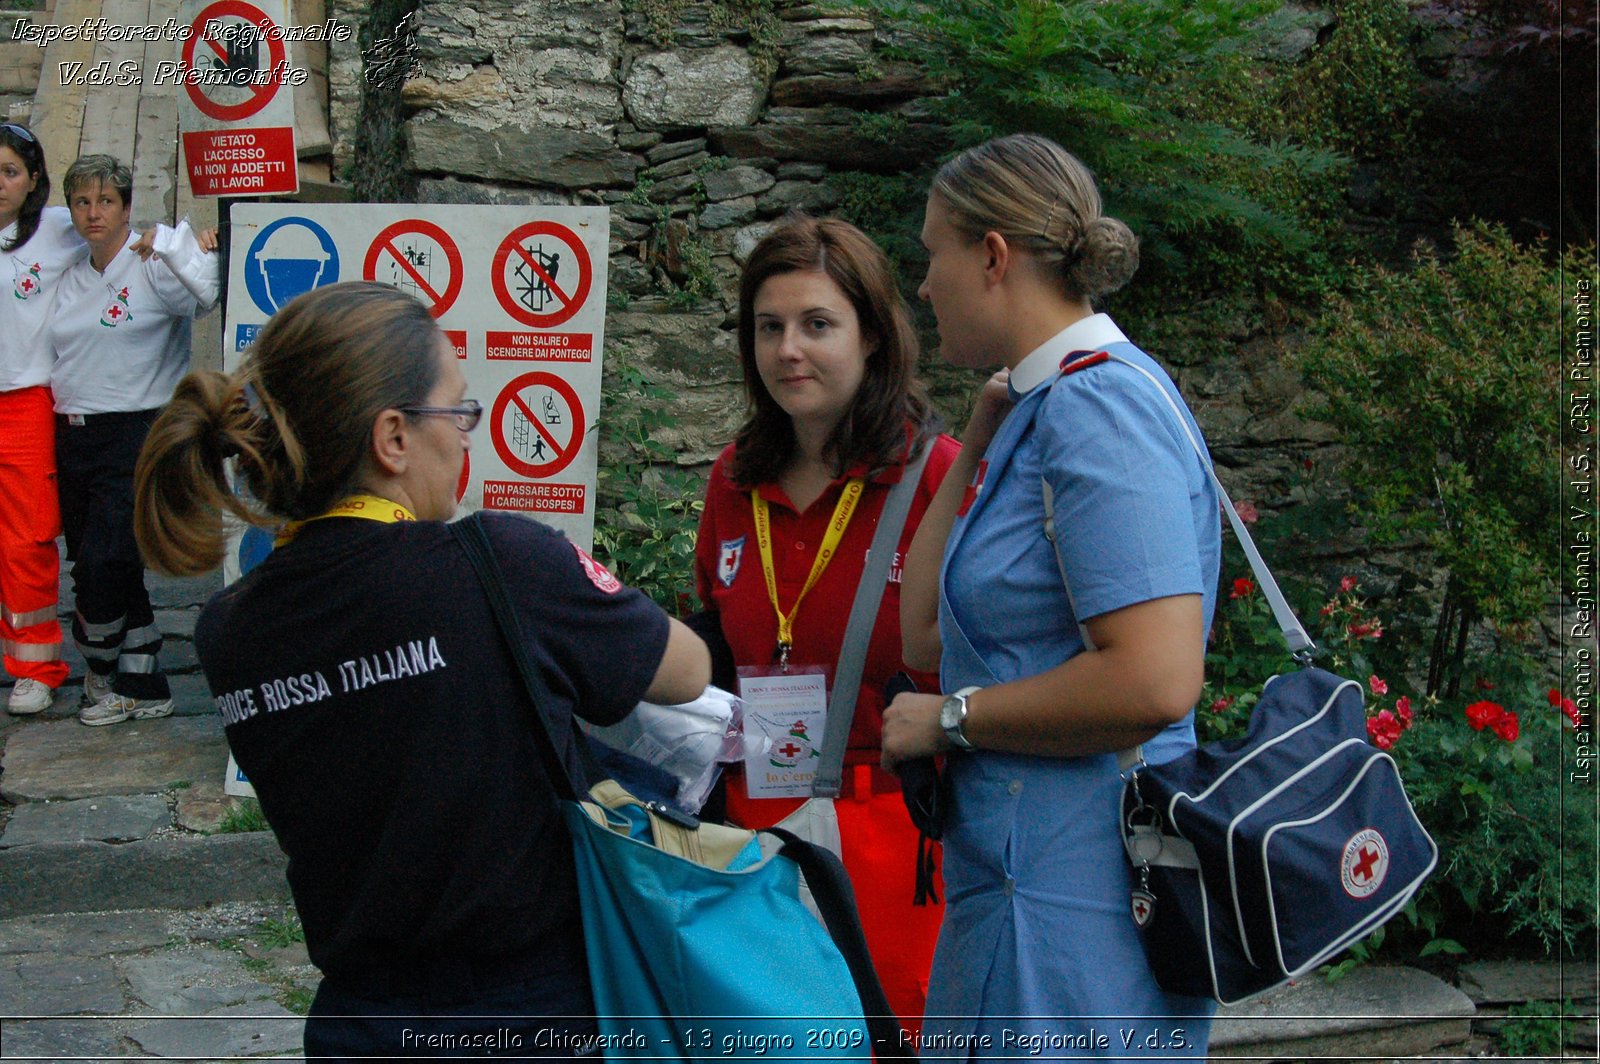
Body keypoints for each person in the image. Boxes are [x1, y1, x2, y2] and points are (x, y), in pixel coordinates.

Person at [133, 281, 711, 1059]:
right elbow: (685, 670)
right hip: (533, 1013)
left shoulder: (227, 628)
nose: (469, 437)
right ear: (393, 437)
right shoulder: (498, 563)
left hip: (360, 1024)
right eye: (459, 412)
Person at [882, 133, 1222, 1055]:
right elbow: (922, 632)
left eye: (931, 255)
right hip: (1022, 892)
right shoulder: (1043, 406)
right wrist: (982, 434)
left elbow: (1154, 682)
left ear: (991, 256)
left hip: (1080, 911)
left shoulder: (1100, 409)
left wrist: (949, 721)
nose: (922, 286)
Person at [692, 215, 960, 1027]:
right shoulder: (734, 480)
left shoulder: (936, 476)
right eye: (768, 328)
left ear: (873, 336)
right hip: (758, 843)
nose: (788, 351)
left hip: (900, 843)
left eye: (817, 325)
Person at [49, 154, 220, 726]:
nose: (94, 212)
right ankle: (144, 686)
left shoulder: (151, 262)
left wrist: (179, 245)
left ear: (125, 207)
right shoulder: (69, 273)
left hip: (136, 431)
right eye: (82, 201)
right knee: (102, 563)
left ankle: (98, 665)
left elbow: (202, 296)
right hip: (72, 433)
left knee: (105, 561)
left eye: (106, 201)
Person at [0, 122, 81, 716]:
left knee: (25, 539)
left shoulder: (56, 231)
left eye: (9, 172)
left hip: (24, 403)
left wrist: (198, 244)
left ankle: (35, 667)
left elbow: (126, 235)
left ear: (32, 182)